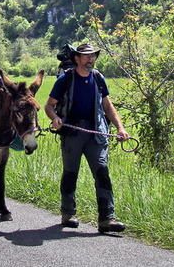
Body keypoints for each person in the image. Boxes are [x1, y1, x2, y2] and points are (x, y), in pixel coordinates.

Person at [44, 43, 130, 233]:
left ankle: (107, 219)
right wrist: (55, 118)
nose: (90, 59)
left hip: (96, 133)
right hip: (72, 133)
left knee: (102, 172)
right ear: (77, 58)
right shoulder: (65, 79)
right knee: (70, 173)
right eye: (86, 56)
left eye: (93, 56)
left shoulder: (98, 78)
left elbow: (108, 106)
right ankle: (68, 214)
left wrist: (120, 128)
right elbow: (49, 106)